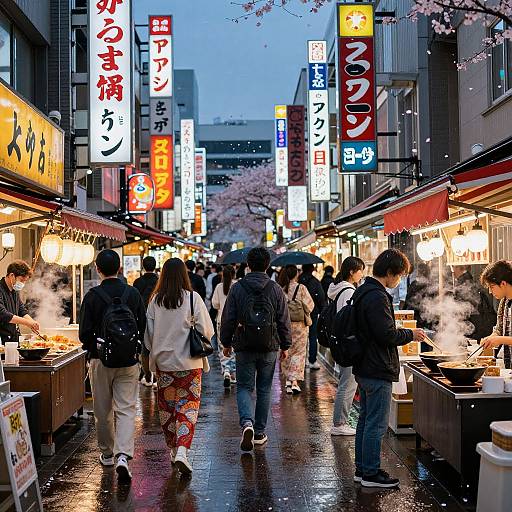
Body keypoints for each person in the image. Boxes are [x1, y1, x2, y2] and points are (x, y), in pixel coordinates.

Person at [351, 249, 425, 488]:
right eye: (400, 275)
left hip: (365, 366)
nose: (399, 280)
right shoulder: (376, 296)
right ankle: (371, 473)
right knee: (376, 423)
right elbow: (386, 334)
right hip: (377, 367)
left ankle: (362, 470)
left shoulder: (364, 291)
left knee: (365, 419)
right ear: (390, 273)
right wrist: (410, 334)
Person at [79, 250, 146, 482]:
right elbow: (143, 326)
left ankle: (107, 453)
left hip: (100, 361)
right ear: (120, 268)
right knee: (126, 409)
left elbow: (84, 333)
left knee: (103, 410)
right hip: (129, 361)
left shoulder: (92, 296)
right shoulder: (133, 293)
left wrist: (95, 349)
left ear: (97, 269)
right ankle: (123, 455)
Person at [144, 258, 214, 475]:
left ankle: (174, 449)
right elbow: (208, 331)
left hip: (164, 363)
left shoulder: (156, 300)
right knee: (188, 407)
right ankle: (182, 450)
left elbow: (149, 337)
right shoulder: (193, 298)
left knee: (167, 409)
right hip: (190, 363)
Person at [220, 247, 292, 451]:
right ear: (268, 265)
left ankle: (247, 423)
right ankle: (259, 432)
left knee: (244, 386)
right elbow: (283, 320)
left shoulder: (237, 288)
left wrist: (226, 343)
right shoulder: (275, 289)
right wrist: (285, 345)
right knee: (264, 388)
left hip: (244, 344)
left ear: (248, 265)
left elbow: (228, 318)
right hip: (269, 345)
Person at [327, 257, 365, 436]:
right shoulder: (348, 291)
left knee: (346, 382)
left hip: (340, 342)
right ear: (352, 271)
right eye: (360, 270)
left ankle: (340, 422)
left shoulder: (338, 289)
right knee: (347, 384)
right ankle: (339, 423)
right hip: (347, 343)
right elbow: (349, 320)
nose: (362, 274)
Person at [278, 265, 314, 394]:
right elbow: (310, 305)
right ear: (296, 274)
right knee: (298, 353)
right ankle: (294, 381)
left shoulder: (280, 289)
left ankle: (287, 380)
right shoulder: (301, 288)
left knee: (285, 351)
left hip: (284, 325)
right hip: (300, 326)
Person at [133, 256, 159, 389]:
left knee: (145, 349)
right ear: (155, 266)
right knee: (157, 346)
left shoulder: (138, 282)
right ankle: (157, 377)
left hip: (142, 317)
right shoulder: (159, 281)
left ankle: (148, 376)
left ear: (143, 266)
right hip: (158, 318)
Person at [480, 260, 512, 368]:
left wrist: (499, 340)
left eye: (492, 286)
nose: (490, 291)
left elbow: (501, 338)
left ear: (503, 283)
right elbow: (499, 329)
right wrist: (491, 338)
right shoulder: (504, 302)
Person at [452, 265, 496, 340]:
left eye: (453, 267)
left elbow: (462, 310)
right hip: (482, 328)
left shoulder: (462, 284)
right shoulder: (471, 281)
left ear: (458, 268)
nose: (453, 271)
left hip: (475, 329)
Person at [0, 260, 39, 343]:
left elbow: (21, 310)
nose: (23, 284)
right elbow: (3, 314)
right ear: (11, 275)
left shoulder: (14, 291)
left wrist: (33, 323)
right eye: (21, 280)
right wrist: (28, 323)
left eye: (25, 281)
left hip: (14, 338)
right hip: (2, 340)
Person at [212, 265, 237, 387]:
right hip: (236, 321)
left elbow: (215, 304)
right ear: (234, 274)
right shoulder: (237, 285)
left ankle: (226, 370)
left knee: (223, 346)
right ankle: (232, 373)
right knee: (234, 346)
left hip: (221, 320)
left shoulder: (219, 287)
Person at [299, 263, 326, 370]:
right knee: (312, 336)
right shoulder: (315, 282)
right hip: (312, 313)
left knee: (301, 337)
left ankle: (302, 360)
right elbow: (321, 298)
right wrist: (321, 310)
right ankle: (312, 361)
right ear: (311, 269)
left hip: (298, 313)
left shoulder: (298, 280)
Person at [403, 263, 434, 330]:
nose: (417, 273)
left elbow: (407, 300)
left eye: (419, 271)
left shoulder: (416, 284)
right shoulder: (430, 285)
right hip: (421, 316)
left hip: (419, 316)